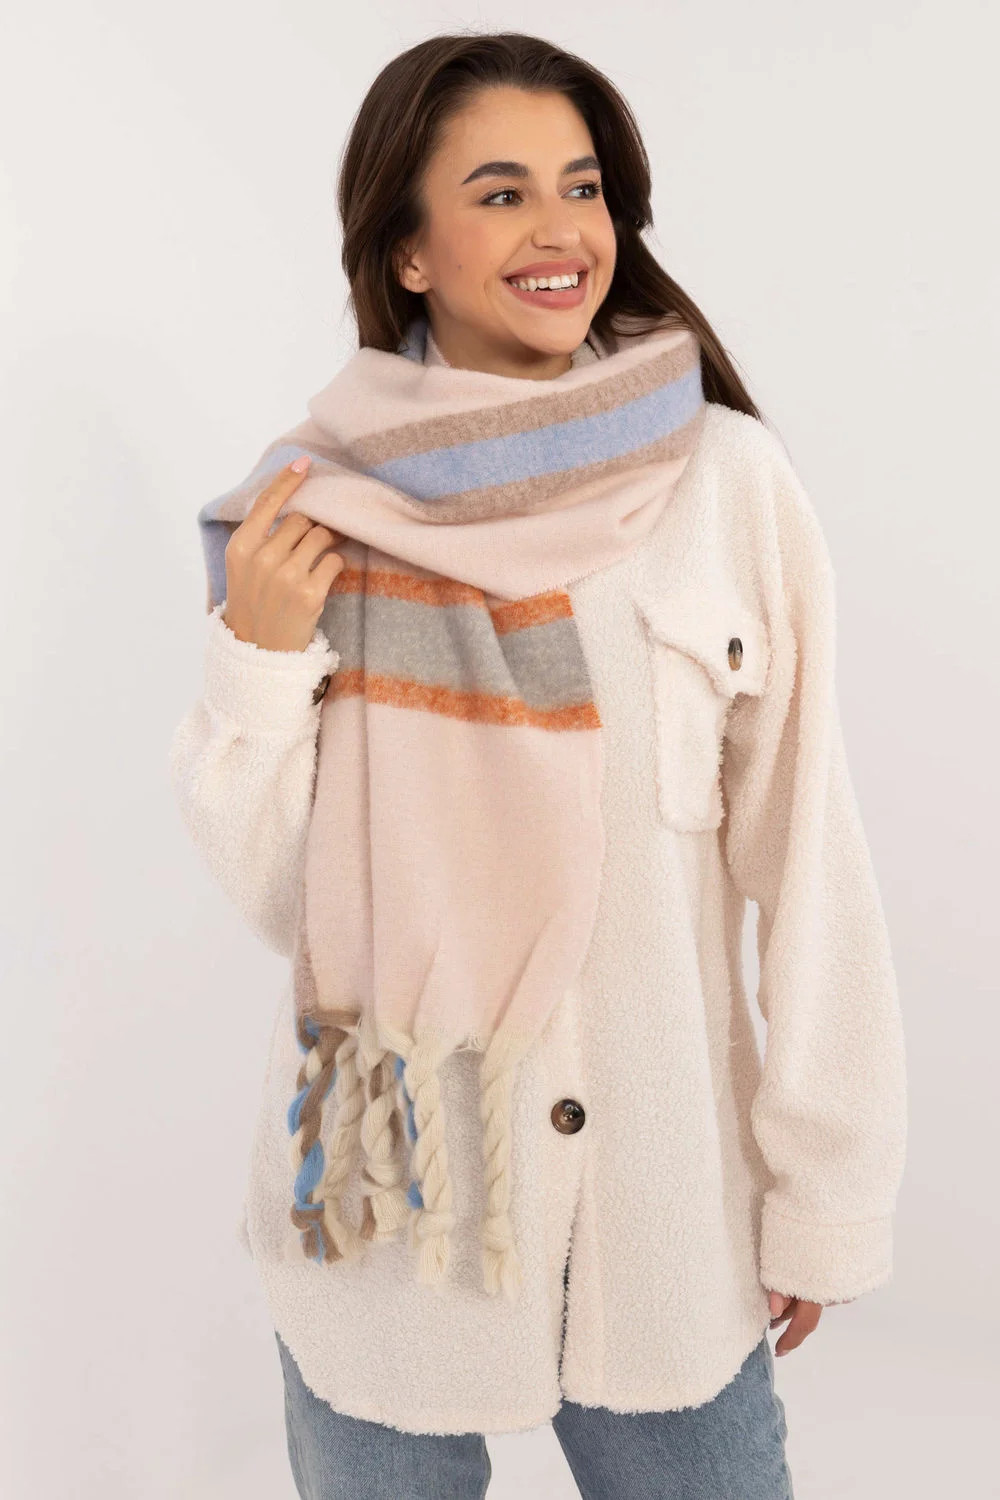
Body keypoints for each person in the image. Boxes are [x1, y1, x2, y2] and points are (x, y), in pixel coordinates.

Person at [168, 31, 907, 1500]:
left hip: (663, 1232)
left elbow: (810, 864)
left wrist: (822, 1194)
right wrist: (258, 661)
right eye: (500, 193)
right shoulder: (316, 517)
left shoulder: (725, 484)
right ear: (409, 251)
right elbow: (288, 900)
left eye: (583, 187)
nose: (561, 230)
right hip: (383, 1231)